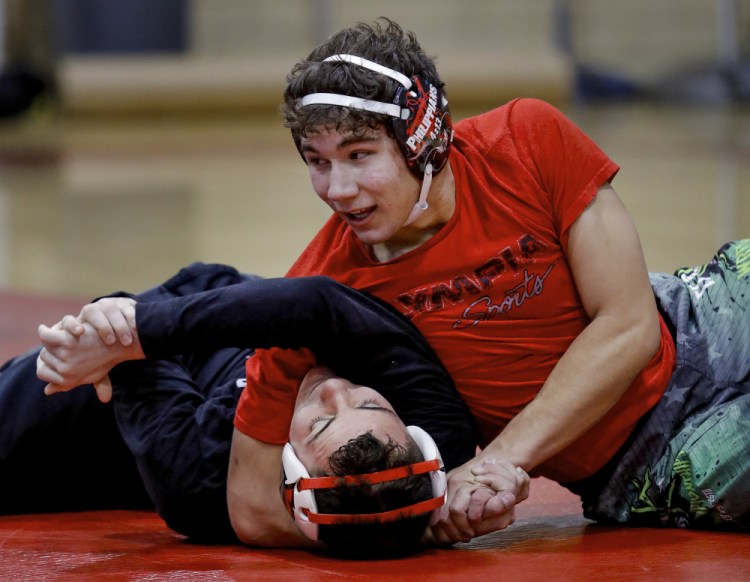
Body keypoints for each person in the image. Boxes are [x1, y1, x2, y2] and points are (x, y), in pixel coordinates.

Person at [215, 17, 749, 545]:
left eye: (359, 156)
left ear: (422, 142)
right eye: (317, 162)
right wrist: (421, 521)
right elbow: (252, 507)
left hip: (701, 310)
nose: (338, 189)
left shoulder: (526, 138)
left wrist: (498, 458)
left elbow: (631, 326)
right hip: (648, 458)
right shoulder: (324, 289)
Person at [32, 263, 524, 551]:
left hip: (98, 422)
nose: (336, 388)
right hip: (222, 307)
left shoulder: (197, 481)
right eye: (370, 400)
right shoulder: (435, 427)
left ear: (286, 468)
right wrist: (479, 482)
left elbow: (119, 341)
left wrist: (117, 326)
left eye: (322, 422)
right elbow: (312, 301)